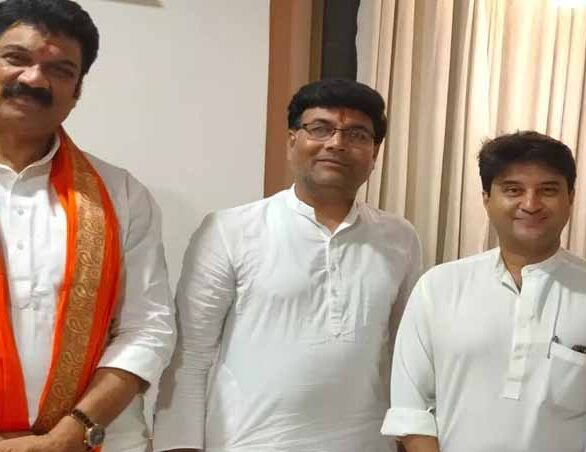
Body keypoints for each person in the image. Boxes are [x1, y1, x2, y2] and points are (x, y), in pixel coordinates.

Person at [153, 78, 423, 452]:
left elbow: (407, 357)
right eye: (320, 128)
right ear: (292, 140)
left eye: (357, 134)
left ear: (375, 153)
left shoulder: (399, 238)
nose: (337, 143)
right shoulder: (230, 230)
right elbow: (190, 357)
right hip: (247, 443)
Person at [382, 131, 586, 452]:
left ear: (571, 197)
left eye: (548, 190)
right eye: (513, 190)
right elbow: (411, 407)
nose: (530, 204)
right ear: (486, 198)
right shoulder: (438, 287)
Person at [0, 0, 176, 450]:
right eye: (16, 58)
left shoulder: (122, 194)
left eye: (60, 70)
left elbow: (148, 327)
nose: (34, 79)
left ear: (77, 91)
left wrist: (71, 433)